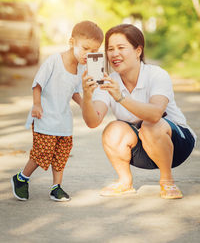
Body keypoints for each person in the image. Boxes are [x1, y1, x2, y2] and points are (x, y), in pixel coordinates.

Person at [82, 24, 196, 199]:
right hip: (142, 147)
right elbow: (93, 122)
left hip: (177, 144)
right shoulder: (108, 81)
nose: (114, 54)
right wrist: (87, 97)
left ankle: (167, 181)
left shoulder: (157, 75)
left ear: (138, 51)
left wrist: (120, 97)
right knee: (112, 129)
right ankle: (124, 181)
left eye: (121, 48)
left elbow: (155, 114)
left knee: (150, 125)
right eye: (110, 49)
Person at [11, 20, 104, 202]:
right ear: (72, 42)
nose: (88, 54)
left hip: (63, 119)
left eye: (94, 51)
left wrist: (86, 103)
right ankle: (22, 178)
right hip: (45, 115)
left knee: (61, 153)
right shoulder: (55, 60)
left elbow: (75, 92)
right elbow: (37, 84)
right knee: (42, 152)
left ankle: (56, 187)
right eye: (85, 48)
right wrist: (36, 105)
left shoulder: (82, 68)